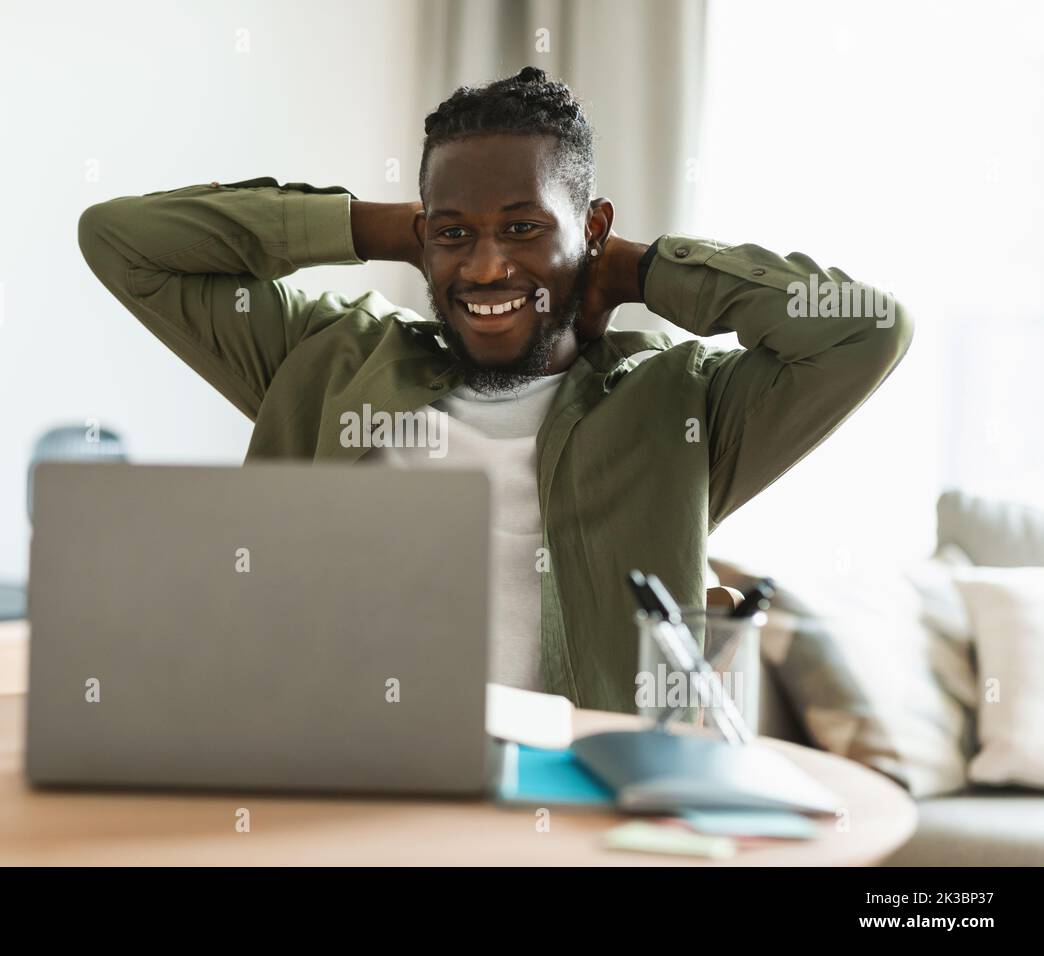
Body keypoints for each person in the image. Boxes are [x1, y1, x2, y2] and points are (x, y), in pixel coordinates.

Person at [77, 66, 912, 712]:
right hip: (330, 786)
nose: (483, 269)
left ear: (590, 227)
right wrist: (380, 230)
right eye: (455, 236)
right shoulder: (328, 360)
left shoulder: (681, 406)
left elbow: (862, 331)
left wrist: (645, 270)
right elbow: (123, 241)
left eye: (523, 226)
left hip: (571, 815)